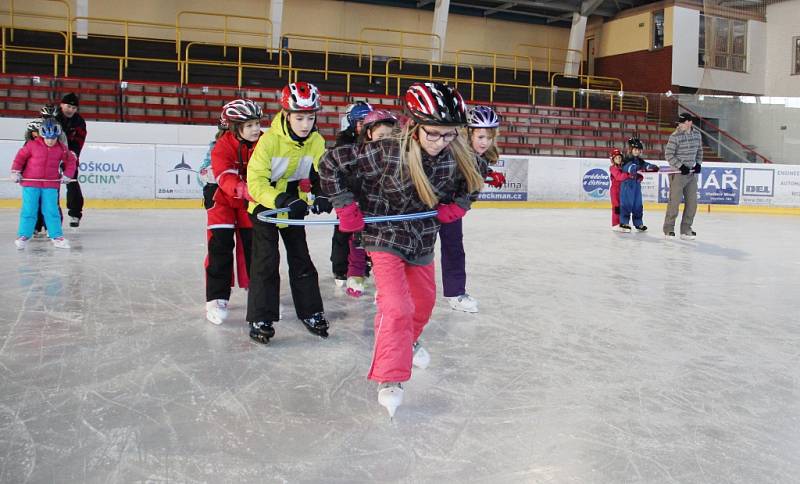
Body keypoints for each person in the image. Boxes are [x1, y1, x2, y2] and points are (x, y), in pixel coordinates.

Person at [319, 81, 483, 417]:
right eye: (434, 134)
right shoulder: (385, 151)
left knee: (422, 303)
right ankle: (390, 377)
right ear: (414, 125)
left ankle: (408, 340)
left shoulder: (455, 153)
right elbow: (331, 164)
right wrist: (346, 206)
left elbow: (477, 175)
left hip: (422, 237)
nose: (441, 142)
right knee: (395, 306)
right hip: (383, 234)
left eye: (449, 134)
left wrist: (460, 205)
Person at [245, 81, 330, 344]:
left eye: (310, 117)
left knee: (301, 259)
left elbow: (323, 173)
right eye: (299, 117)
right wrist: (280, 199)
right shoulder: (268, 141)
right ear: (286, 115)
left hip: (293, 206)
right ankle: (261, 316)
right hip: (265, 208)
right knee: (266, 263)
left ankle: (311, 311)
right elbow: (255, 182)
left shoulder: (315, 140)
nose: (305, 124)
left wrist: (324, 193)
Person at [438, 105, 505, 313]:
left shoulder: (481, 157)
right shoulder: (451, 152)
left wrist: (487, 173)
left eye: (489, 137)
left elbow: (470, 176)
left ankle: (456, 292)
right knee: (412, 251)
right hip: (428, 207)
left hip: (451, 211)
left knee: (454, 249)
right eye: (481, 137)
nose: (485, 142)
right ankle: (390, 291)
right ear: (468, 134)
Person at [204, 99, 262, 325]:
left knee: (254, 247)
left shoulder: (265, 142)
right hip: (223, 202)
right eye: (249, 125)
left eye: (257, 123)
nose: (255, 129)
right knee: (220, 247)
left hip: (250, 204)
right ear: (235, 127)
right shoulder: (222, 145)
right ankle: (216, 297)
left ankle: (255, 288)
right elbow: (224, 176)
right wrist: (243, 189)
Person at [342, 109, 399, 298]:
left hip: (389, 210)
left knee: (388, 246)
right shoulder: (359, 155)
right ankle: (356, 274)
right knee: (359, 242)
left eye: (390, 136)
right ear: (369, 134)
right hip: (365, 207)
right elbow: (347, 179)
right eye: (381, 135)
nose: (385, 140)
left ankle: (385, 281)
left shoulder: (399, 156)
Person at [10, 119, 77, 250]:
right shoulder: (31, 145)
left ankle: (56, 236)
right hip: (31, 183)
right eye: (47, 138)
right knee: (29, 210)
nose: (50, 141)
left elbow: (71, 162)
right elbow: (20, 158)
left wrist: (67, 175)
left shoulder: (62, 149)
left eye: (53, 138)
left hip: (50, 185)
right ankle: (24, 235)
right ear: (42, 135)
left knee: (51, 211)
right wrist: (15, 171)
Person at [330, 101, 373, 289]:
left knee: (365, 232)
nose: (364, 126)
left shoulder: (373, 140)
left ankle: (362, 267)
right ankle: (340, 268)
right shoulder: (343, 143)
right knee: (343, 231)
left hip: (367, 195)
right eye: (360, 122)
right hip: (347, 195)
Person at [663, 113, 703, 240]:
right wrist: (680, 166)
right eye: (679, 123)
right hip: (678, 174)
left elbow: (700, 150)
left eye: (683, 122)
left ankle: (686, 229)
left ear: (689, 122)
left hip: (691, 174)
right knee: (674, 203)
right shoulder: (675, 136)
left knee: (692, 203)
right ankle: (668, 229)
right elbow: (668, 155)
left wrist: (698, 163)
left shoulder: (697, 135)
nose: (680, 125)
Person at [56, 93, 87, 228]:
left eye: (74, 108)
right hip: (51, 157)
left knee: (73, 183)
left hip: (69, 157)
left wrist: (73, 155)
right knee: (51, 188)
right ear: (62, 104)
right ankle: (50, 216)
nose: (71, 110)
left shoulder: (79, 122)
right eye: (68, 106)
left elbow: (79, 141)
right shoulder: (52, 116)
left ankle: (75, 213)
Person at [619, 137, 659, 232]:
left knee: (638, 204)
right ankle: (624, 222)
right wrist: (635, 168)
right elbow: (628, 167)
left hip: (636, 185)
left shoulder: (639, 160)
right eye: (635, 150)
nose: (637, 152)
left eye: (639, 150)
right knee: (627, 204)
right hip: (627, 185)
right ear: (631, 150)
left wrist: (652, 167)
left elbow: (645, 165)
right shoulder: (626, 159)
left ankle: (638, 223)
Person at [608, 148, 630, 232]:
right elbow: (619, 177)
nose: (619, 159)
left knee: (623, 207)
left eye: (620, 158)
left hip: (623, 191)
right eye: (616, 158)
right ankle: (615, 224)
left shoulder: (623, 167)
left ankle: (622, 223)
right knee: (616, 207)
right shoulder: (612, 168)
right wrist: (628, 174)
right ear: (613, 159)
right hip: (615, 191)